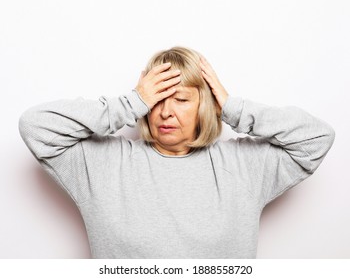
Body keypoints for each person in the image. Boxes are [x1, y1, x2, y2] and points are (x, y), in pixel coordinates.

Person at [19, 46, 335, 258]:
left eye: (182, 100)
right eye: (156, 100)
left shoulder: (245, 167)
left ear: (206, 107)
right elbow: (35, 127)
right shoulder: (101, 165)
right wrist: (130, 103)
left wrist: (231, 107)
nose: (166, 112)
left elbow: (317, 138)